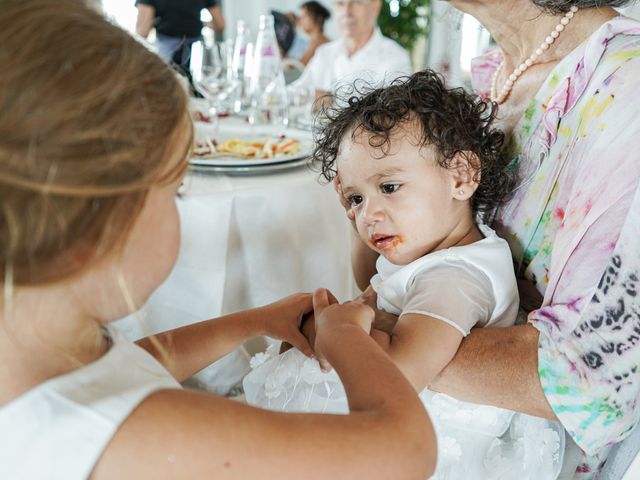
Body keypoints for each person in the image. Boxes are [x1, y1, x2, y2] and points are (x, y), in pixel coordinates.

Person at [0, 1, 437, 479]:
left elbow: (128, 364)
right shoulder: (132, 434)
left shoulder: (36, 342)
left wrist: (251, 321)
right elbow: (406, 450)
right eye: (174, 192)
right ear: (92, 230)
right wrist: (348, 336)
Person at [346, 1, 640, 478]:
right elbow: (402, 272)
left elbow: (588, 384)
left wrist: (368, 336)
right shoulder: (491, 76)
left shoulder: (628, 91)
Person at [244, 70, 565, 479]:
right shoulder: (437, 241)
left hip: (414, 439)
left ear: (462, 175)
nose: (369, 214)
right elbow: (370, 280)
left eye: (390, 187)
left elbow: (399, 376)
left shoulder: (454, 279)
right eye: (357, 197)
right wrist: (355, 220)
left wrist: (334, 330)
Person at [292, 0, 411, 105]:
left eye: (356, 2)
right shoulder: (324, 52)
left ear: (375, 6)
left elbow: (391, 110)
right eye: (340, 3)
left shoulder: (395, 57)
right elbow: (293, 92)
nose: (346, 12)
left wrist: (331, 100)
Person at [135, 0, 225, 75]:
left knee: (165, 88)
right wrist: (199, 23)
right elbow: (220, 25)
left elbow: (143, 31)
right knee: (202, 88)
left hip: (167, 50)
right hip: (197, 51)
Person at [298, 1, 331, 65]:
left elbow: (299, 67)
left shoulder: (320, 42)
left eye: (304, 16)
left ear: (319, 18)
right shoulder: (313, 42)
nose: (300, 20)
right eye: (301, 17)